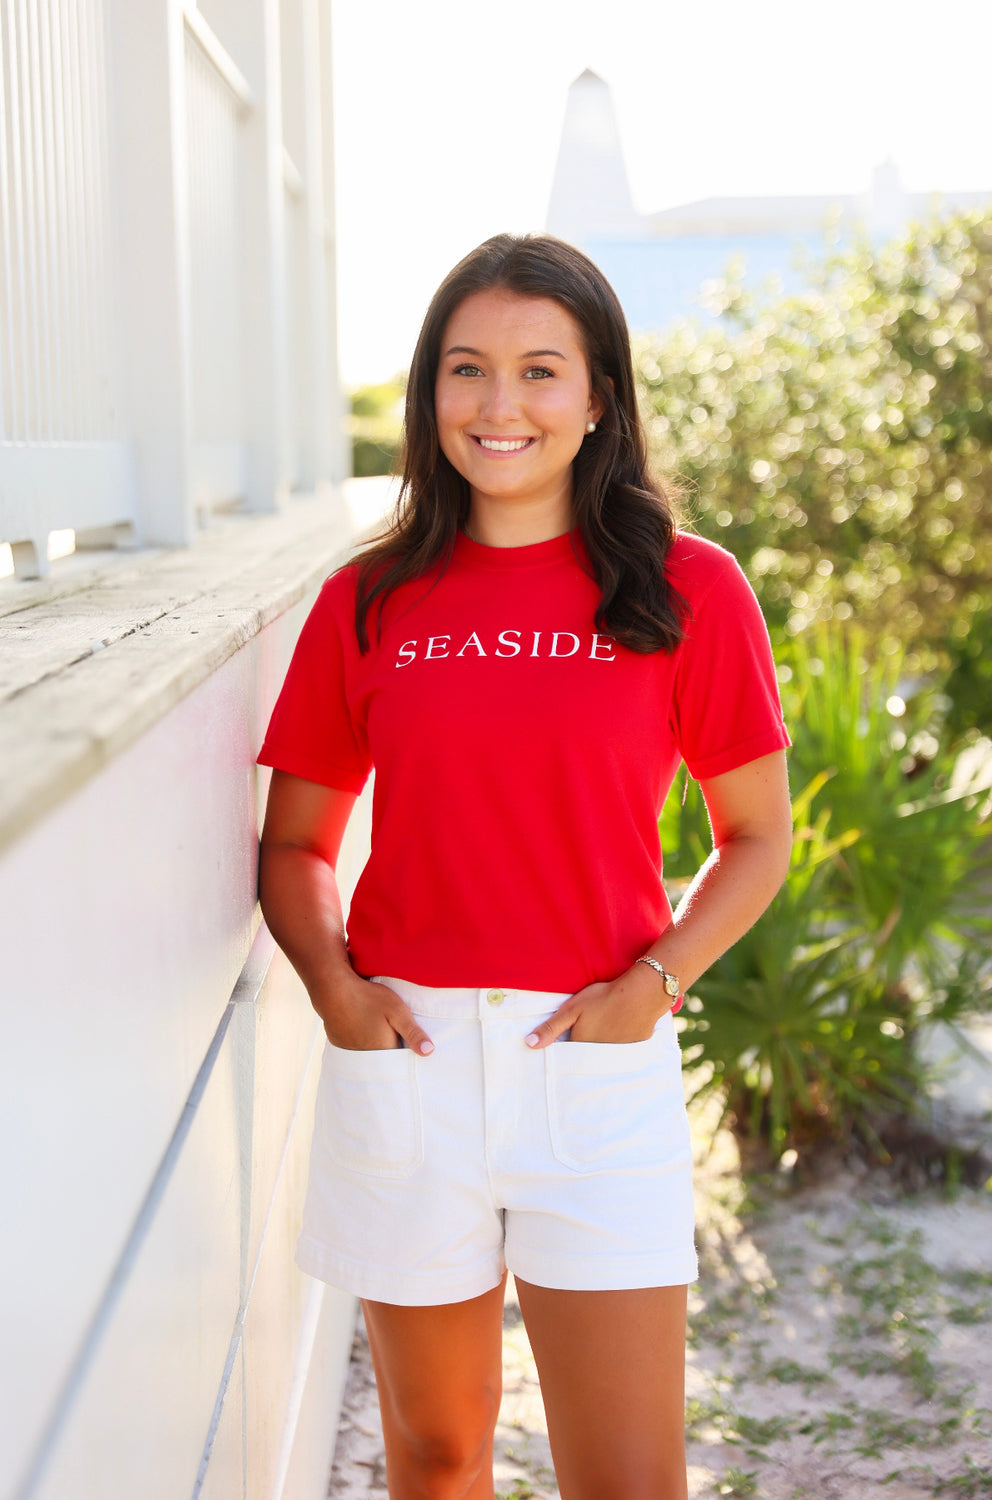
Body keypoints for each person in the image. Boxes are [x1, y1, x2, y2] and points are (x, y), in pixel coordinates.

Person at [256, 233, 792, 1500]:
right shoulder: (369, 600)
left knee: (625, 1476)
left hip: (595, 1067)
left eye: (540, 371)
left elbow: (755, 838)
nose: (500, 407)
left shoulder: (686, 590)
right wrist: (339, 994)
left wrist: (654, 985)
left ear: (599, 395)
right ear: (428, 392)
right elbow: (294, 847)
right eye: (466, 370)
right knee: (436, 1461)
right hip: (409, 1071)